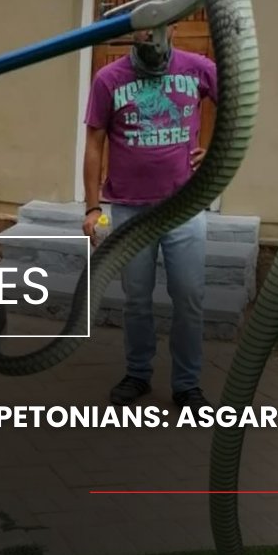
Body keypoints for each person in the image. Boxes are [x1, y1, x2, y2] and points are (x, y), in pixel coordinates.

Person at [82, 24, 217, 410]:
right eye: (142, 29)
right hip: (129, 209)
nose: (150, 37)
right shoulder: (109, 78)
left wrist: (219, 145)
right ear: (131, 33)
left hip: (184, 208)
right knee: (136, 298)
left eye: (157, 27)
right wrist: (92, 208)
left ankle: (187, 385)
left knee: (189, 296)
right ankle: (138, 374)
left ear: (172, 26)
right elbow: (94, 142)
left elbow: (243, 106)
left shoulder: (197, 68)